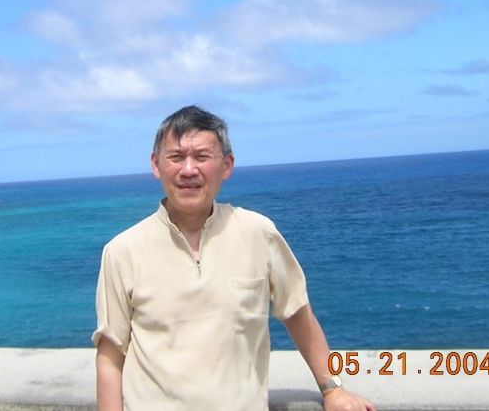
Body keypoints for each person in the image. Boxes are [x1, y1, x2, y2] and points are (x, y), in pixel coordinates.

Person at [93, 105, 374, 411]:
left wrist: (333, 389)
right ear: (156, 164)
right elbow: (110, 356)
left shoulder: (258, 233)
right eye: (176, 157)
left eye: (202, 156)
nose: (189, 169)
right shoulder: (123, 251)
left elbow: (297, 313)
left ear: (226, 165)